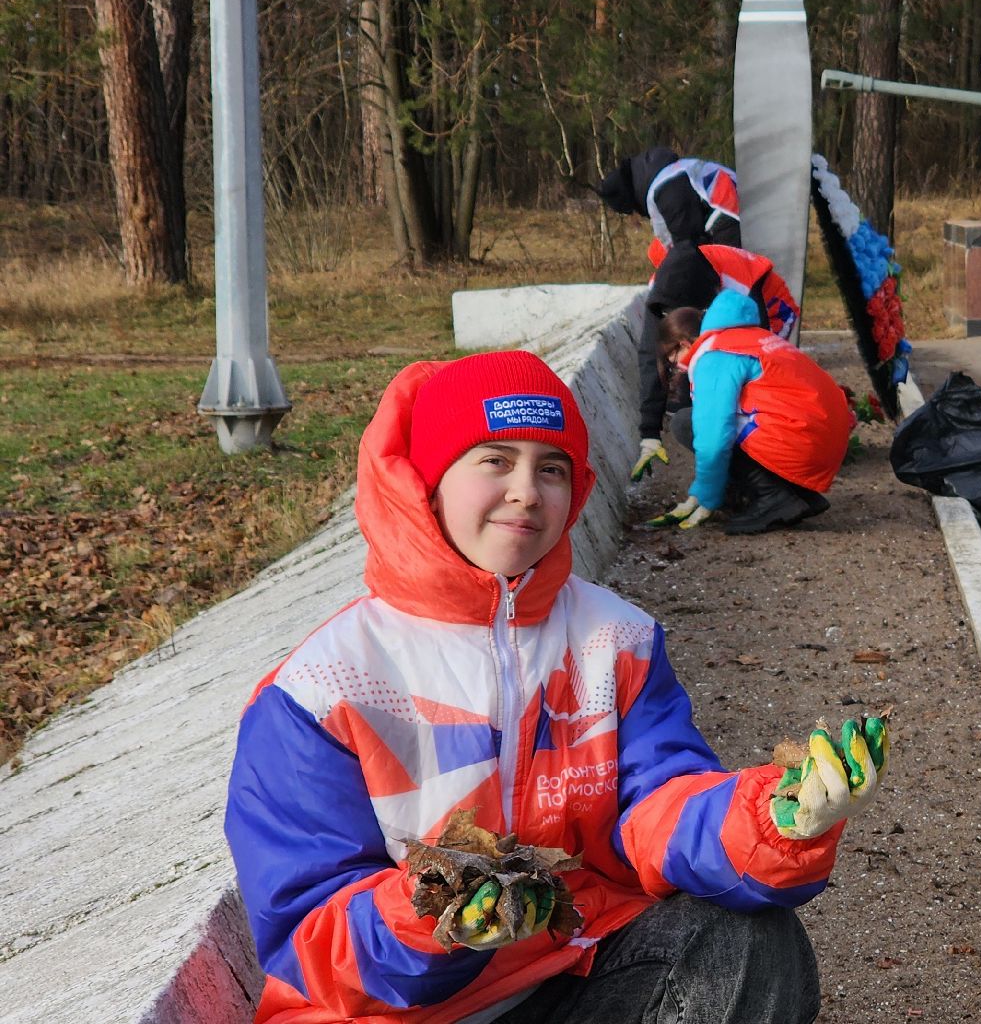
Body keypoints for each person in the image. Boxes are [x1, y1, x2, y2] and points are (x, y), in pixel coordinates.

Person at [225, 349, 887, 1023]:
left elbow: (656, 804)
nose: (526, 490)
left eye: (552, 468)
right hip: (396, 1009)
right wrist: (440, 915)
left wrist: (766, 817)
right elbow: (308, 932)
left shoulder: (616, 640)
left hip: (573, 973)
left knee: (751, 940)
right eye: (494, 460)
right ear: (428, 480)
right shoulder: (319, 692)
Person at [646, 293, 851, 535]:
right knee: (736, 415)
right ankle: (796, 494)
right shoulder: (753, 338)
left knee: (687, 423)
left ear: (683, 344)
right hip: (824, 440)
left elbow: (713, 434)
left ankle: (773, 496)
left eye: (672, 358)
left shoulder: (714, 355)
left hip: (803, 441)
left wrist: (707, 494)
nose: (676, 365)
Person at [628, 242, 802, 484]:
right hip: (710, 306)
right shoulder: (661, 293)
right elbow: (651, 352)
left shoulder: (739, 288)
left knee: (742, 396)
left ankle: (772, 482)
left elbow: (755, 360)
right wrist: (649, 432)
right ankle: (732, 480)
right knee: (696, 405)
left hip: (770, 304)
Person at [594, 146, 742, 265]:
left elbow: (688, 246)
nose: (636, 219)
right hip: (733, 207)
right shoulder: (670, 173)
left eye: (630, 213)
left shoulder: (666, 187)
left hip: (728, 215)